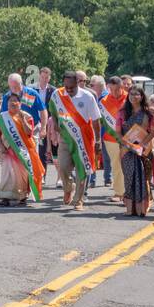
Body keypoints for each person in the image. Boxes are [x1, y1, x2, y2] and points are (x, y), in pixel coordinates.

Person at [47, 70, 101, 211]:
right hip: (65, 137)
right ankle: (68, 187)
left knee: (81, 170)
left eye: (72, 87)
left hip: (84, 139)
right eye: (66, 87)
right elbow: (52, 109)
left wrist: (98, 140)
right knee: (63, 166)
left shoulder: (88, 97)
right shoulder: (57, 95)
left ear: (78, 83)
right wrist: (56, 123)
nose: (69, 90)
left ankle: (78, 200)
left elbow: (96, 120)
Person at [0, 93, 43, 206]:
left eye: (15, 101)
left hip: (23, 150)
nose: (12, 103)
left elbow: (28, 133)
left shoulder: (27, 116)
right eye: (10, 101)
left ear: (20, 103)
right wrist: (1, 146)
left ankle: (22, 196)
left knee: (22, 175)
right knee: (8, 173)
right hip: (7, 149)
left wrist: (22, 120)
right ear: (6, 104)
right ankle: (5, 196)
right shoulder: (3, 117)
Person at [117, 85, 154, 217]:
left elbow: (153, 131)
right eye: (131, 94)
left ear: (142, 96)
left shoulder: (148, 113)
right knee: (129, 178)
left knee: (143, 178)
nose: (133, 97)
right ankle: (129, 209)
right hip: (126, 149)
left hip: (143, 150)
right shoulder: (122, 112)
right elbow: (117, 132)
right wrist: (128, 144)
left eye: (136, 94)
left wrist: (141, 144)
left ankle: (141, 209)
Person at [95, 74, 126, 202]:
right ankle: (119, 193)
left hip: (128, 138)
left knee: (128, 164)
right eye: (111, 90)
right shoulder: (103, 101)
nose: (114, 93)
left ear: (122, 87)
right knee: (116, 164)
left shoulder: (130, 98)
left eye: (117, 89)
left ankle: (129, 192)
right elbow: (99, 121)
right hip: (110, 138)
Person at [34, 67, 57, 187]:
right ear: (39, 76)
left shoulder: (53, 90)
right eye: (42, 77)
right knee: (37, 150)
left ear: (49, 78)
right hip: (34, 123)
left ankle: (44, 175)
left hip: (49, 123)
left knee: (47, 151)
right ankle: (38, 175)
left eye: (47, 77)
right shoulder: (33, 89)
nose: (44, 79)